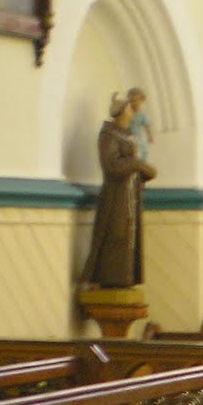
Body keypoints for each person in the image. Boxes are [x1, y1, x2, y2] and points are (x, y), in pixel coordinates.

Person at [80, 91, 158, 289]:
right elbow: (111, 166)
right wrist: (137, 164)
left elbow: (135, 166)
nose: (133, 113)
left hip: (130, 195)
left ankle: (125, 279)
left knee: (128, 239)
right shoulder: (109, 135)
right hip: (116, 197)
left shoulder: (127, 135)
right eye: (130, 109)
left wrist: (142, 171)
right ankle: (110, 279)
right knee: (115, 237)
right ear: (122, 112)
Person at [126, 87, 154, 162]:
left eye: (136, 100)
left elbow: (147, 126)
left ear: (142, 100)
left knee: (142, 151)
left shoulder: (142, 114)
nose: (133, 103)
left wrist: (150, 136)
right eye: (131, 101)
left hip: (138, 137)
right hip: (128, 136)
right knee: (132, 152)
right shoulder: (127, 112)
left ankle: (142, 162)